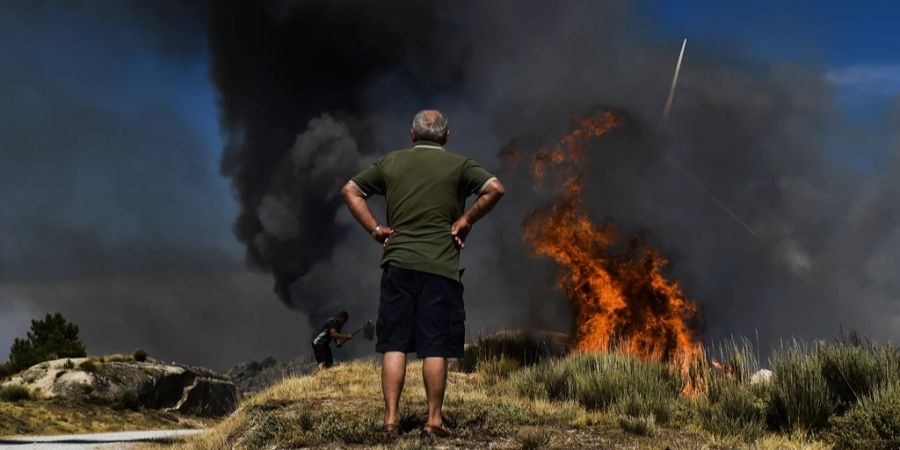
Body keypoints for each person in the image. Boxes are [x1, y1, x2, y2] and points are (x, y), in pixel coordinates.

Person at [340, 110, 505, 438]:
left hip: (398, 264)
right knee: (435, 347)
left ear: (412, 135)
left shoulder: (391, 162)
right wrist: (467, 219)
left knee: (394, 345)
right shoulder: (460, 165)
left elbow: (350, 190)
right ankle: (433, 421)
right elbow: (495, 188)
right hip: (440, 268)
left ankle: (391, 421)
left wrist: (375, 230)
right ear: (447, 136)